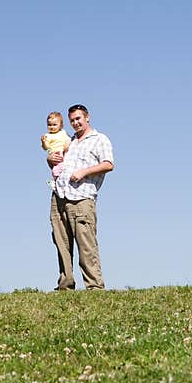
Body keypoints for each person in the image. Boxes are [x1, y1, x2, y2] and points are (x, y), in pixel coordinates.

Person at [48, 104, 114, 290]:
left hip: (82, 198)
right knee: (61, 243)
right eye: (72, 121)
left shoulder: (99, 139)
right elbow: (57, 165)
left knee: (86, 244)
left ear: (87, 118)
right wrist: (50, 160)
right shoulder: (69, 141)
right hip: (60, 196)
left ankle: (94, 286)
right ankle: (65, 285)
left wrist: (84, 172)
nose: (75, 123)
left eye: (78, 119)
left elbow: (108, 164)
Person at [41, 111, 71, 181]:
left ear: (61, 125)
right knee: (56, 169)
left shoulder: (63, 132)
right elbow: (46, 148)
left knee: (64, 167)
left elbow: (68, 139)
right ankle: (56, 181)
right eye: (49, 125)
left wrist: (67, 145)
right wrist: (43, 142)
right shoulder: (47, 136)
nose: (52, 127)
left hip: (64, 152)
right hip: (55, 153)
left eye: (54, 125)